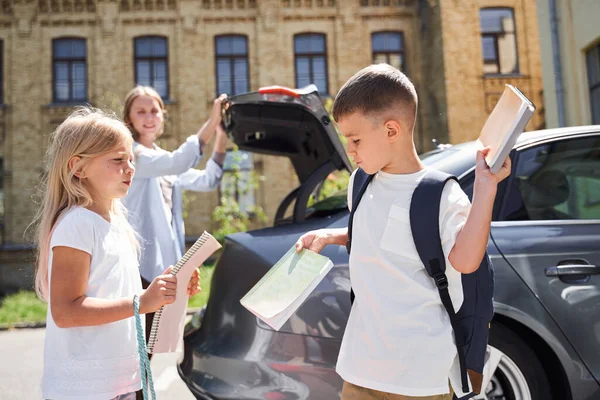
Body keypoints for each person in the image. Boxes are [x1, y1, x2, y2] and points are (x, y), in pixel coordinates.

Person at [295, 64, 511, 400]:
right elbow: (381, 238)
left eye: (355, 140)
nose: (349, 151)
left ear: (392, 130)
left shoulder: (441, 195)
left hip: (418, 377)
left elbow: (466, 261)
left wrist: (485, 187)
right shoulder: (361, 182)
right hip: (359, 368)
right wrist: (330, 237)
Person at [32, 107, 200, 400]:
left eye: (131, 159)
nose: (131, 168)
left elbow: (118, 293)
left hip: (122, 381)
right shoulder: (77, 224)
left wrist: (167, 288)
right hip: (86, 389)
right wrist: (143, 301)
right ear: (79, 168)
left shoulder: (117, 225)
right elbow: (66, 311)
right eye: (118, 159)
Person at [121, 86, 228, 358]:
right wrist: (212, 121)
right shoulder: (133, 156)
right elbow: (179, 161)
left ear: (162, 115)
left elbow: (208, 180)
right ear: (129, 119)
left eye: (154, 111)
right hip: (138, 269)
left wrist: (221, 137)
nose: (149, 117)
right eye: (141, 111)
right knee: (136, 354)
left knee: (148, 353)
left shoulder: (161, 160)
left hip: (163, 269)